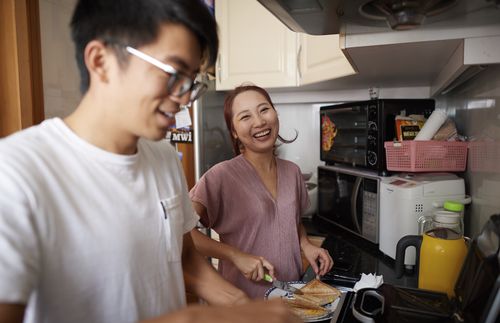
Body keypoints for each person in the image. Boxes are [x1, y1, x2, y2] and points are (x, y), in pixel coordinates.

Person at [0, 1, 301, 323]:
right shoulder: (16, 174)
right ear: (101, 61)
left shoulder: (164, 158)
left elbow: (185, 258)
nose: (184, 98)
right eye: (173, 74)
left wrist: (245, 308)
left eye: (191, 81)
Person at [189, 84, 334, 299]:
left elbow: (292, 222)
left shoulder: (292, 171)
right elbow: (183, 233)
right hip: (243, 304)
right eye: (245, 117)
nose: (259, 121)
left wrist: (306, 245)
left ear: (275, 114)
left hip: (290, 296)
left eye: (264, 110)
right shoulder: (220, 176)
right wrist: (235, 255)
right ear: (234, 132)